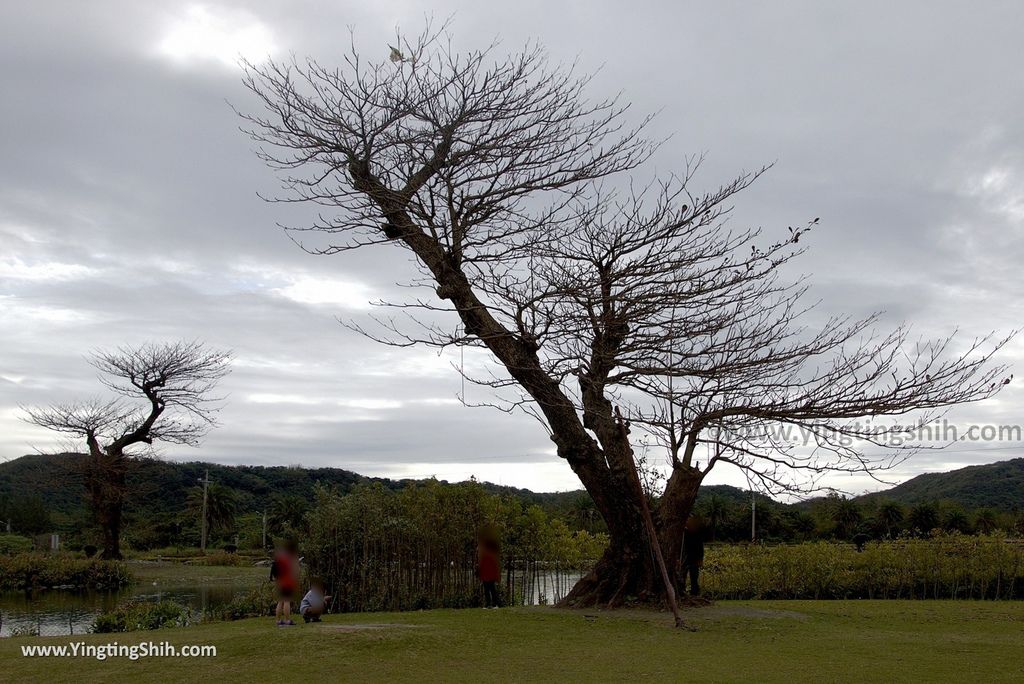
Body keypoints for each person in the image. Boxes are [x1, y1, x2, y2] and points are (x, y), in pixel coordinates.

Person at [270, 539, 300, 626]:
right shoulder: (292, 557)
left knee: (280, 601)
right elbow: (296, 570)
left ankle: (278, 620)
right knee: (287, 601)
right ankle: (287, 620)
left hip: (280, 581)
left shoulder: (280, 557)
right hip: (288, 581)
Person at [476, 528, 501, 609]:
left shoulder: (489, 548)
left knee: (491, 588)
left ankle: (494, 604)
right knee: (487, 589)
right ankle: (489, 604)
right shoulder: (482, 547)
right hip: (485, 571)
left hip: (489, 571)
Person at [681, 516, 705, 597]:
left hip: (694, 557)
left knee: (694, 576)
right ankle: (682, 591)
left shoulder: (697, 533)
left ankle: (694, 592)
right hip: (685, 557)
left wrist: (700, 559)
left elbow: (700, 547)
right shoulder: (684, 533)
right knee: (683, 575)